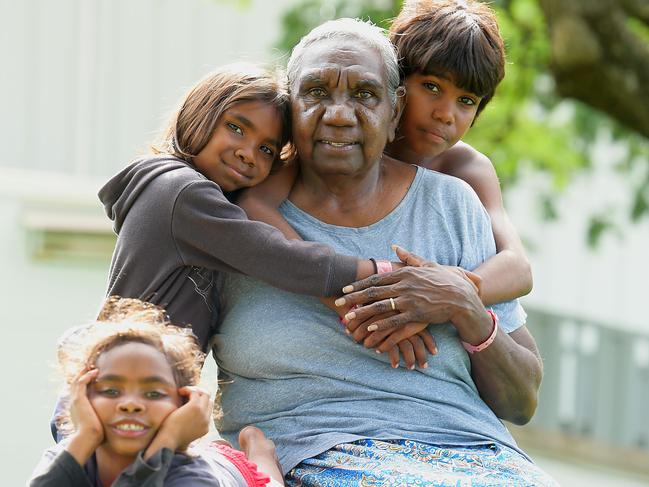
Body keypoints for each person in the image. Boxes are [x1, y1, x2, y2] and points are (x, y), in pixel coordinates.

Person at [213, 18, 557, 486]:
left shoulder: (454, 197)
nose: (338, 114)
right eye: (316, 92)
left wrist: (463, 301)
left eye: (363, 94)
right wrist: (351, 296)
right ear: (287, 105)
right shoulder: (231, 212)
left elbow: (523, 401)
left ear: (394, 110)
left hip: (479, 454)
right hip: (317, 451)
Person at [238, 0, 531, 309]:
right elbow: (255, 204)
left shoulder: (464, 168)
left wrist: (443, 294)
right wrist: (331, 287)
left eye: (467, 100)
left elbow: (518, 267)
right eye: (432, 87)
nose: (446, 114)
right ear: (395, 86)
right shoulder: (335, 145)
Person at [98, 62, 380, 352]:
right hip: (125, 383)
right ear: (199, 113)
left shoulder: (190, 195)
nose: (248, 154)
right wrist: (379, 271)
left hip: (147, 381)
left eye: (266, 150)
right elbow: (278, 257)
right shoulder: (182, 192)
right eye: (236, 128)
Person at [30, 297, 283, 487]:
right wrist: (86, 434)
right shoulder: (74, 453)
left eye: (153, 394)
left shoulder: (194, 478)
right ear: (81, 396)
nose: (130, 404)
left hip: (234, 474)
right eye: (111, 390)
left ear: (183, 403)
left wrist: (170, 439)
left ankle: (260, 450)